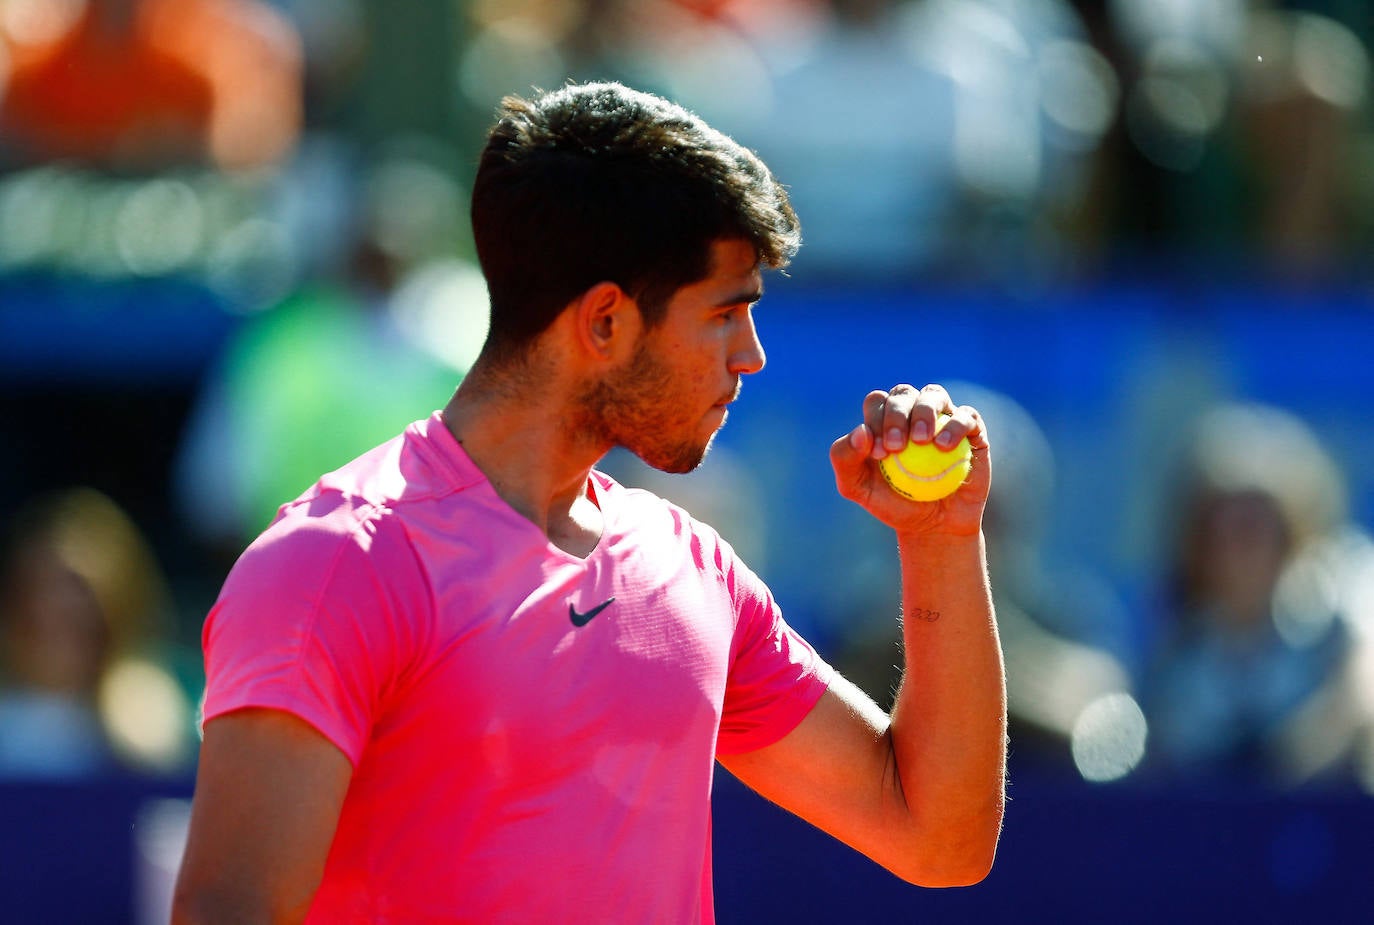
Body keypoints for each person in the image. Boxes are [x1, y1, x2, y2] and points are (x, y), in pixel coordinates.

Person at [171, 81, 1007, 923]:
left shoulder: (693, 568)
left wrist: (941, 538)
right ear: (606, 321)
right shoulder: (333, 565)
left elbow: (938, 838)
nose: (751, 357)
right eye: (726, 314)